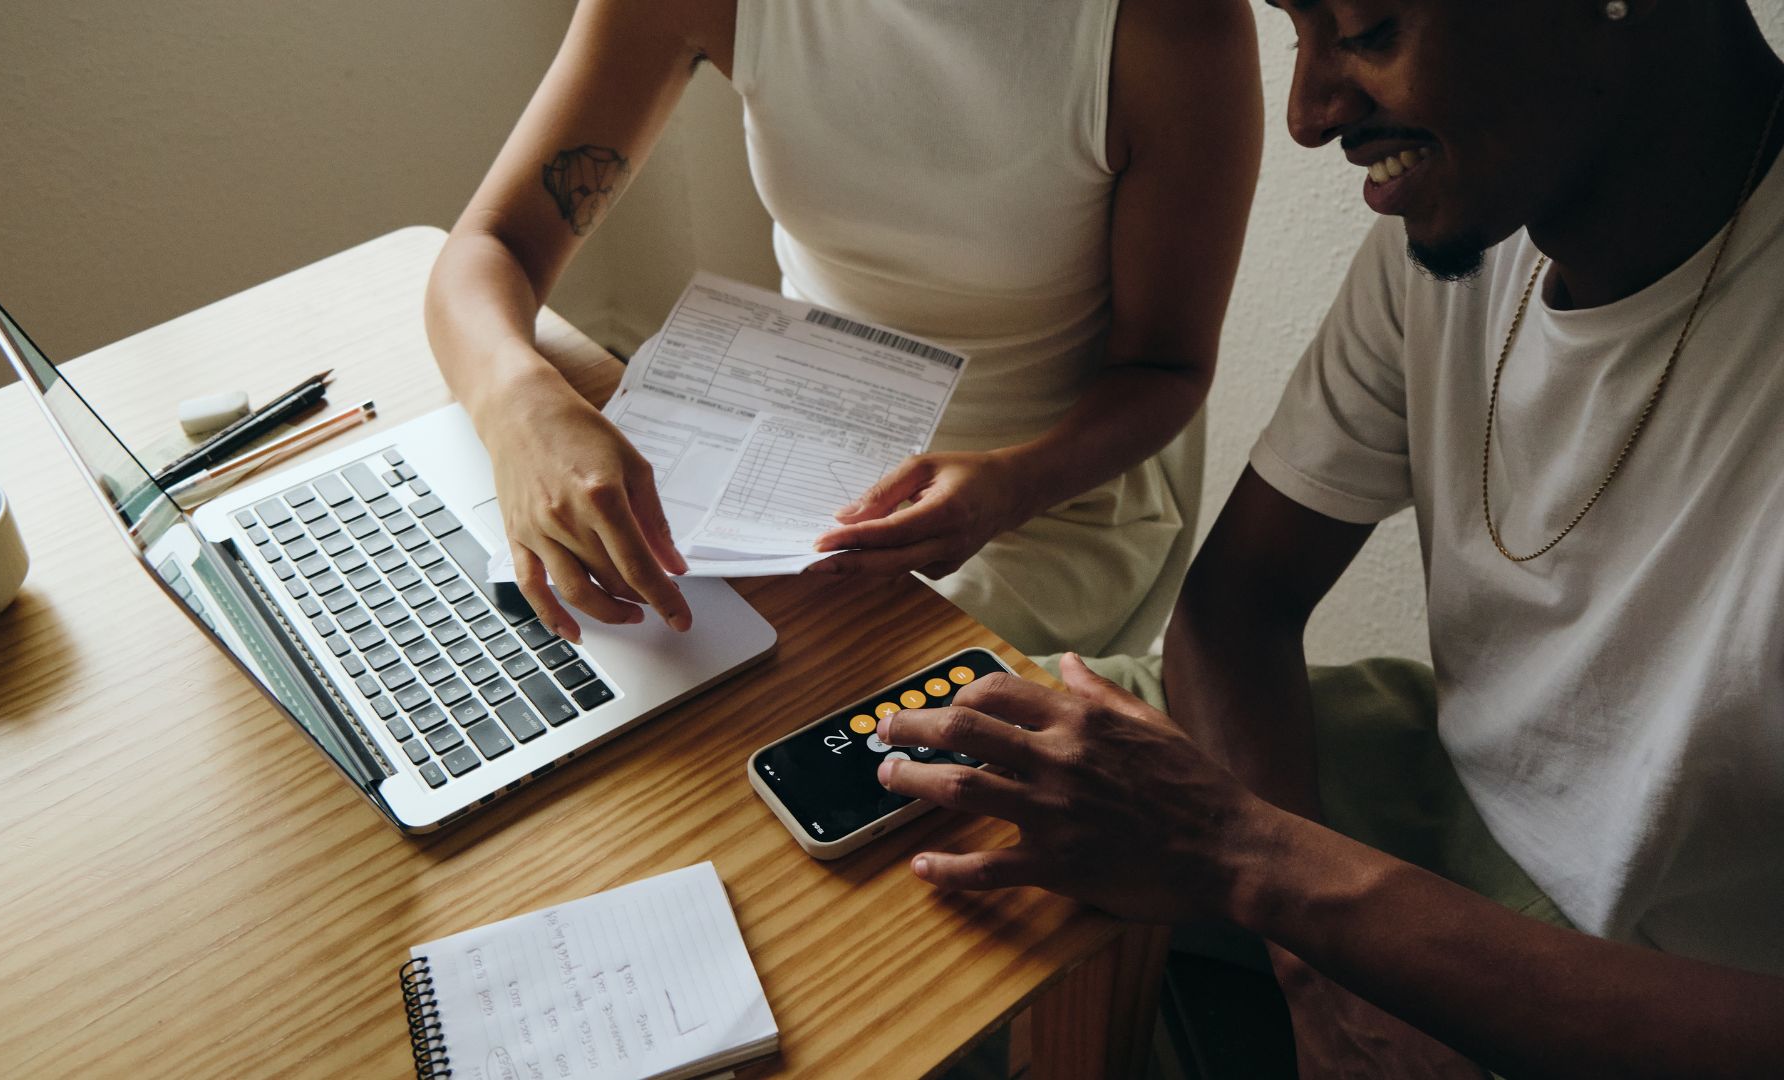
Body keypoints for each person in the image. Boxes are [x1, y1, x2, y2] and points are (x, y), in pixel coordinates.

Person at [873, 1, 1784, 1076]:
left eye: (1371, 26)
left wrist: (1257, 862)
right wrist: (1320, 966)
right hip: (1438, 799)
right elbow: (1236, 608)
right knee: (943, 794)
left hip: (1683, 984)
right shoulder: (1461, 239)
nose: (1308, 113)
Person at [423, 0, 1260, 656]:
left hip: (1041, 503)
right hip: (780, 451)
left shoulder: (1171, 27)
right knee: (559, 655)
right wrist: (521, 407)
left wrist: (1014, 484)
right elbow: (490, 247)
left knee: (788, 719)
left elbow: (1167, 367)